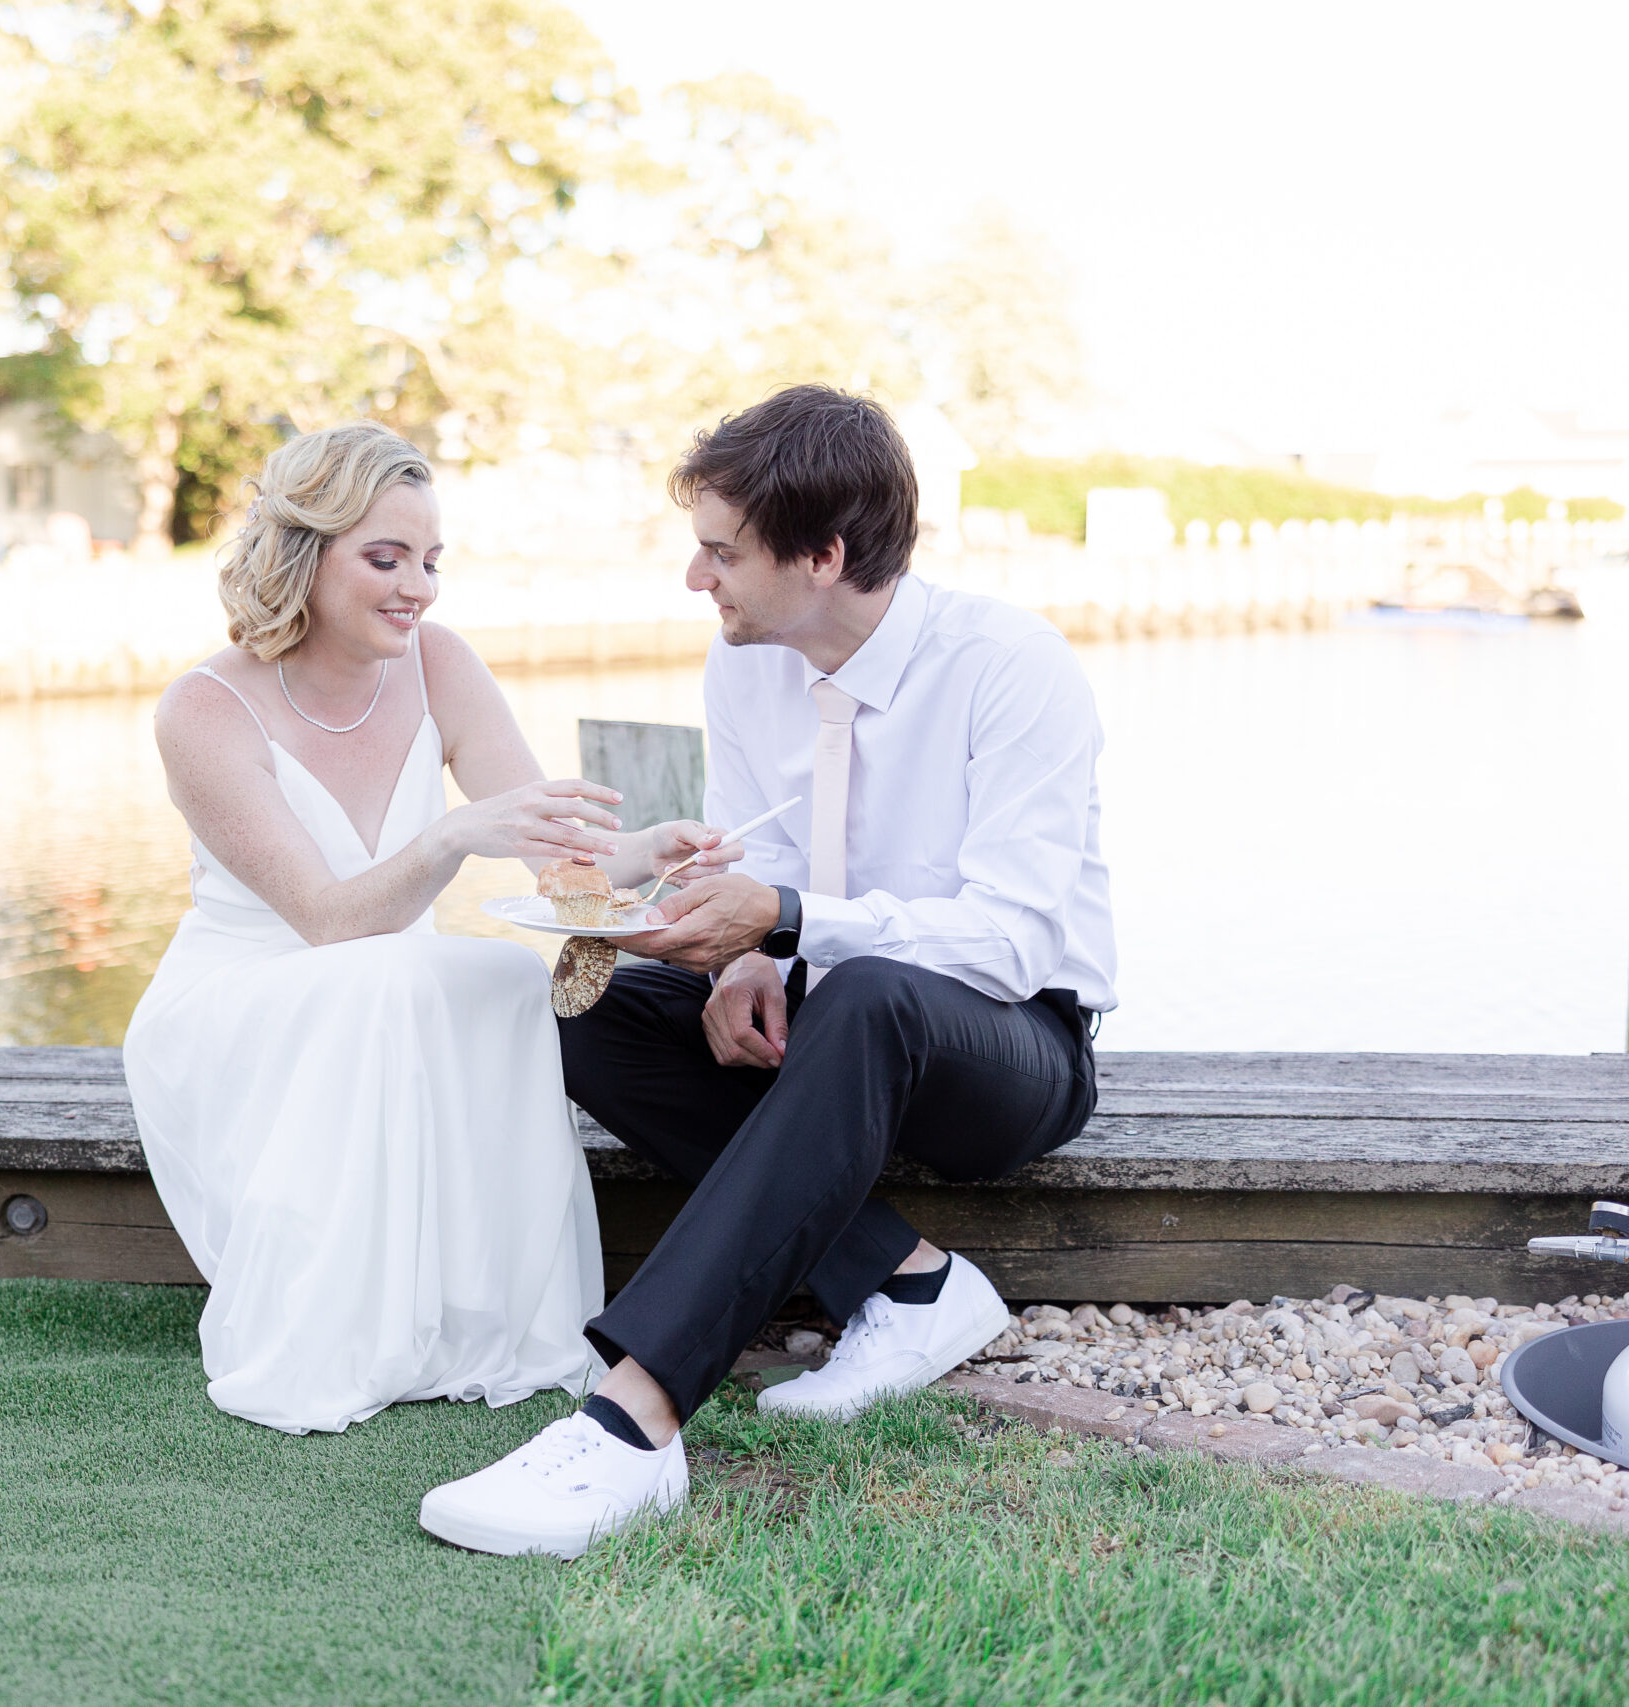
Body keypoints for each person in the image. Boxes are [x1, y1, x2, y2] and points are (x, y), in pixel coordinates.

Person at [418, 386, 1115, 1559]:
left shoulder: (1009, 664)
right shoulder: (745, 664)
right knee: (586, 1013)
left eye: (719, 552)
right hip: (831, 1023)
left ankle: (633, 1420)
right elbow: (765, 856)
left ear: (824, 554)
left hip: (1012, 1053)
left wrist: (787, 924)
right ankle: (905, 1281)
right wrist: (741, 955)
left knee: (874, 989)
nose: (698, 579)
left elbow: (1014, 940)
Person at [123, 422, 736, 1436]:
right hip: (241, 1000)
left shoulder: (439, 664)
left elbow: (560, 871)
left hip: (375, 985)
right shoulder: (203, 709)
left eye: (431, 560)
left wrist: (650, 857)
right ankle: (342, 1330)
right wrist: (453, 836)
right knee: (397, 980)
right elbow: (327, 923)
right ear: (303, 554)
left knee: (501, 981)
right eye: (385, 558)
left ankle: (482, 1319)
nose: (418, 587)